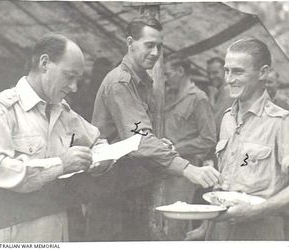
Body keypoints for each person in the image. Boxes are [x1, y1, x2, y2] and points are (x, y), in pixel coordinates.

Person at [90, 15, 221, 240]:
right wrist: (189, 168)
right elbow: (139, 139)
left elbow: (140, 133)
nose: (155, 52)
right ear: (130, 43)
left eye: (159, 46)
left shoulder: (143, 80)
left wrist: (161, 142)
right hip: (112, 192)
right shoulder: (121, 82)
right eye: (149, 45)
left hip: (132, 188)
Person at [0, 33, 108, 242]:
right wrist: (60, 165)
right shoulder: (1, 110)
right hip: (17, 237)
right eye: (69, 76)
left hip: (56, 233)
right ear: (44, 63)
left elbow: (97, 141)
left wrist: (99, 159)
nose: (74, 87)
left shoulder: (62, 111)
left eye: (77, 79)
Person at [204, 37, 289, 240]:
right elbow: (227, 180)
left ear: (263, 73)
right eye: (227, 70)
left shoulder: (284, 122)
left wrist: (257, 211)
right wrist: (204, 227)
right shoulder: (227, 118)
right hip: (221, 229)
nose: (229, 79)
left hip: (262, 230)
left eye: (238, 71)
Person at [162, 55, 217, 239]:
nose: (164, 78)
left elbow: (208, 139)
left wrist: (177, 147)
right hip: (165, 167)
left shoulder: (198, 98)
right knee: (161, 220)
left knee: (176, 222)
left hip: (185, 170)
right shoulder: (169, 96)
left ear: (180, 72)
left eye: (167, 74)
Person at [206, 57, 233, 134]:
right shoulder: (220, 91)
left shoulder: (228, 92)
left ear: (225, 72)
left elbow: (212, 126)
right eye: (208, 73)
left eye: (215, 73)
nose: (211, 77)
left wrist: (211, 98)